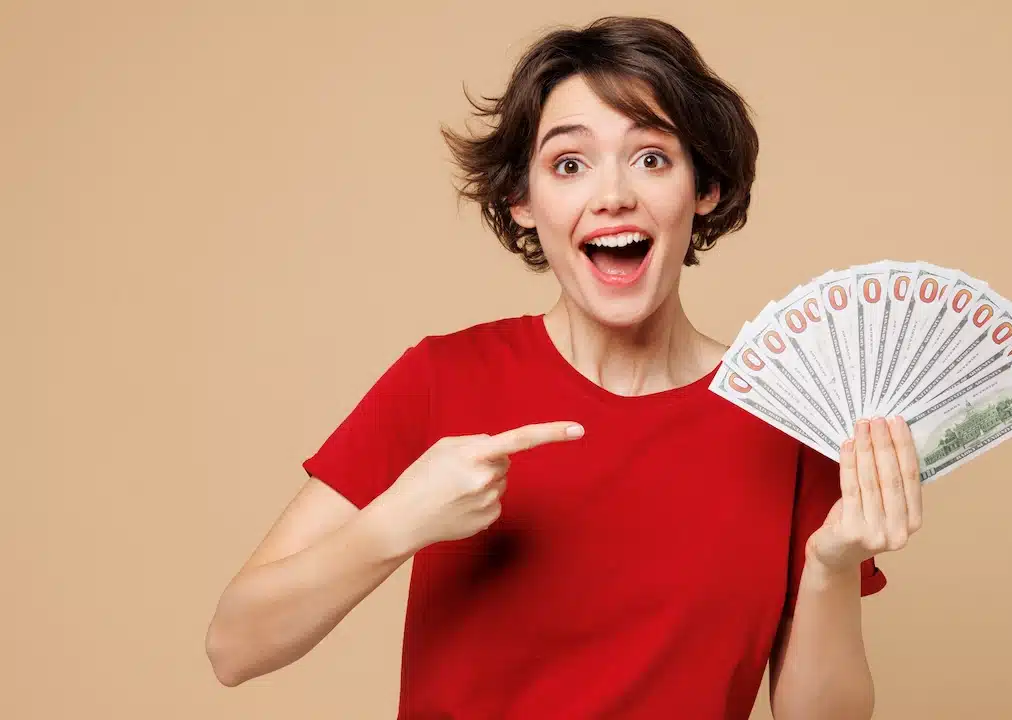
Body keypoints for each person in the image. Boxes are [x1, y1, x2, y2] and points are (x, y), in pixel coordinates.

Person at [204, 15, 923, 720]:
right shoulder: (442, 378)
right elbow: (233, 647)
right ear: (522, 201)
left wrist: (829, 566)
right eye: (569, 164)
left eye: (652, 158)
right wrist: (396, 523)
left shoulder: (785, 414)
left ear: (703, 188)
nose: (612, 195)